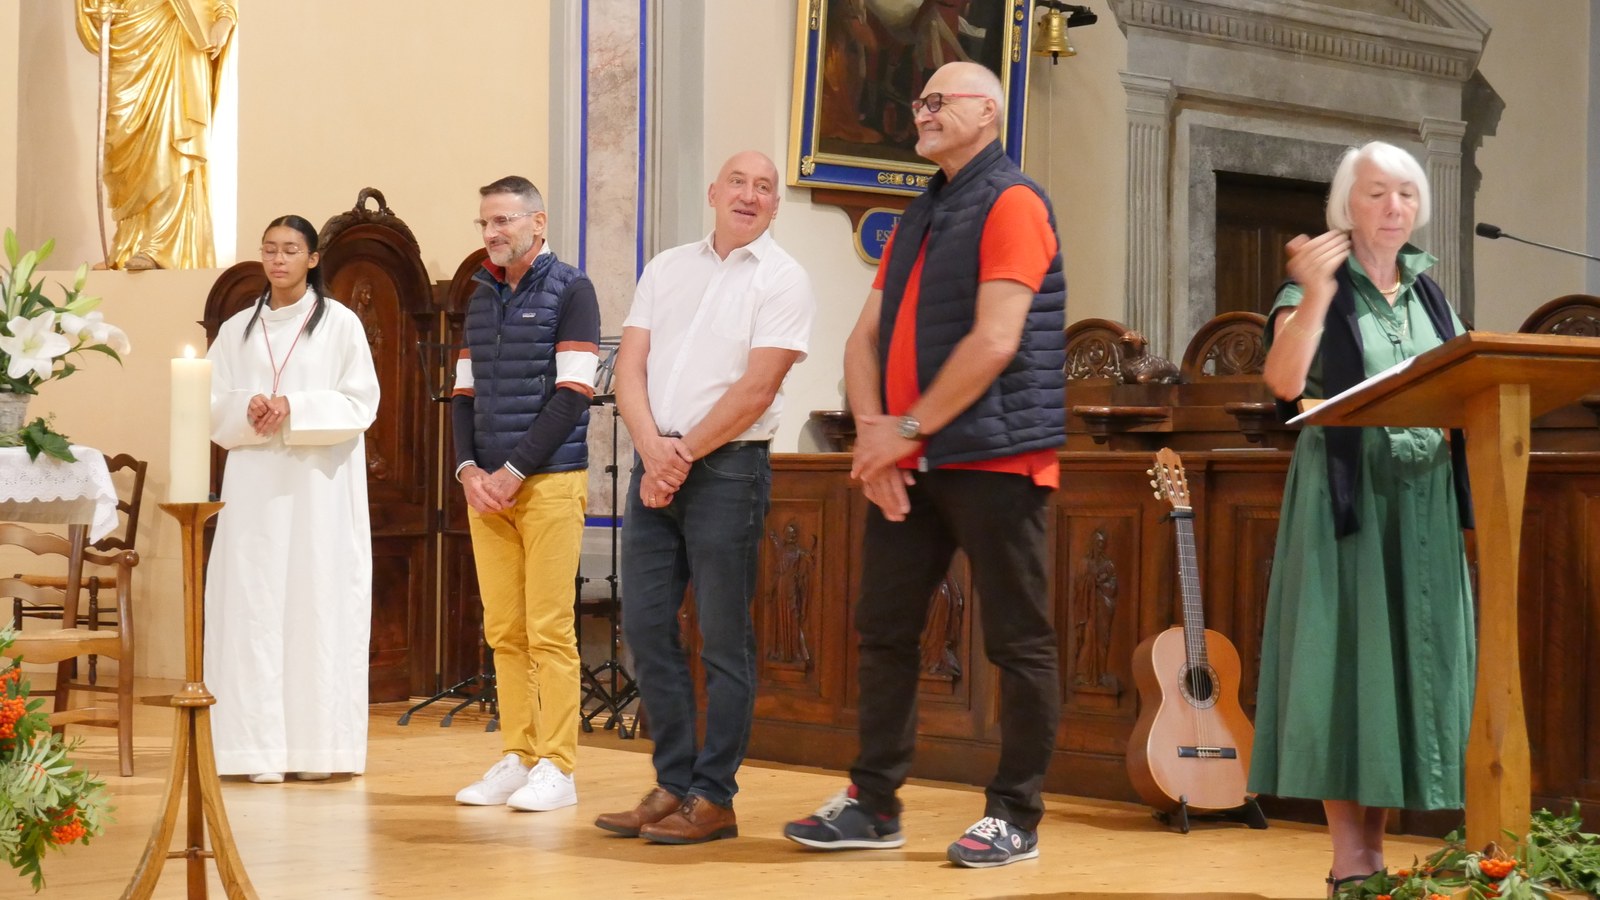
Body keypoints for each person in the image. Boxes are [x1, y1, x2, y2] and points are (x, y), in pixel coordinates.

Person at [782, 60, 1066, 869]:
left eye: (938, 101)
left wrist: (899, 431)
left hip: (997, 455)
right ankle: (874, 805)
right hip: (913, 459)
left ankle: (1014, 815)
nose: (921, 113)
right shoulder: (920, 210)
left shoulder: (1014, 201)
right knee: (883, 630)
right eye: (919, 101)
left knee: (1018, 641)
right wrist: (874, 436)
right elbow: (862, 338)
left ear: (988, 112)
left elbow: (996, 339)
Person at [1250, 141, 1475, 897]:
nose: (1393, 207)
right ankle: (1352, 859)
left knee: (1396, 668)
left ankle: (1372, 856)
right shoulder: (1315, 287)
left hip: (1424, 502)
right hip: (1348, 497)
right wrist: (1314, 295)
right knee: (1349, 661)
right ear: (1345, 205)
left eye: (1406, 193)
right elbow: (1283, 382)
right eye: (1376, 193)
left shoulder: (1430, 295)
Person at [594, 151, 815, 845]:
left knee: (722, 638)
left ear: (775, 205)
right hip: (656, 461)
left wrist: (679, 455)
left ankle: (714, 796)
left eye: (765, 187)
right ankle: (672, 783)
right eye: (738, 183)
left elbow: (757, 388)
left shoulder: (784, 278)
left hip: (728, 470)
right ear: (714, 192)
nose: (750, 195)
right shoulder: (666, 268)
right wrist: (652, 448)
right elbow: (629, 367)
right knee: (647, 627)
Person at [205, 214, 380, 783]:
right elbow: (208, 401)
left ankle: (318, 752)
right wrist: (247, 407)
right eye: (270, 249)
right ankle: (253, 752)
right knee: (253, 607)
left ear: (312, 259)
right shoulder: (237, 329)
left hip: (318, 488)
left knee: (316, 603)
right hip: (254, 487)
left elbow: (361, 402)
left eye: (290, 250)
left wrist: (295, 407)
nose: (278, 259)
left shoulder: (341, 324)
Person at [450, 176, 601, 813]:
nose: (492, 232)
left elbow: (573, 394)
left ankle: (558, 767)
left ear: (538, 223)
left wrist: (513, 469)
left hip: (550, 481)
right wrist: (468, 470)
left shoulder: (572, 289)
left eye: (503, 220)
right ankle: (519, 754)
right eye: (485, 222)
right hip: (487, 489)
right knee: (505, 631)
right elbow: (463, 395)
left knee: (549, 629)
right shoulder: (480, 294)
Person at [76, 0, 235, 270]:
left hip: (177, 31)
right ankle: (128, 243)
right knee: (127, 143)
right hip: (129, 32)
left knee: (169, 140)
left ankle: (162, 246)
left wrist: (224, 19)